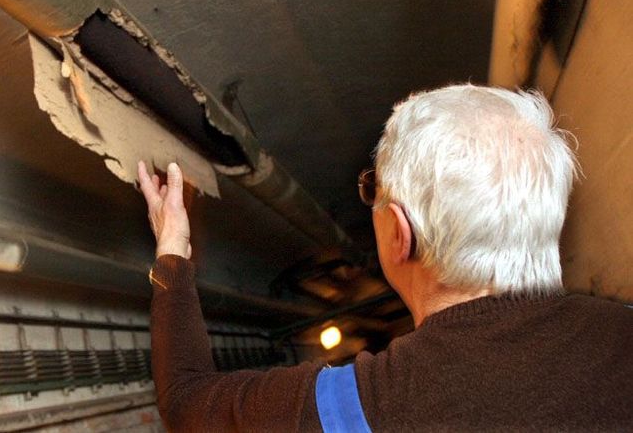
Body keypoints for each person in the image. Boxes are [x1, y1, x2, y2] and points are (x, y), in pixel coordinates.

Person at [138, 84, 632, 432]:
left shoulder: (358, 408)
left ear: (400, 233)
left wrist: (173, 250)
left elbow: (186, 403)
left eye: (372, 189)